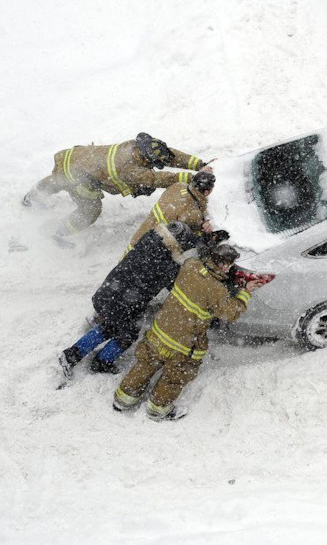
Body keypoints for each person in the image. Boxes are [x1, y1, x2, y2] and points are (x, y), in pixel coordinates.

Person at [58, 221, 229, 378]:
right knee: (127, 334)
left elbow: (182, 241)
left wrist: (208, 239)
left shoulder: (152, 239)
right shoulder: (166, 266)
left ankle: (73, 356)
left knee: (110, 326)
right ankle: (99, 362)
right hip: (125, 302)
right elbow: (179, 285)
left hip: (111, 290)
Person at [112, 243, 262, 421]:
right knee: (175, 376)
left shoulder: (191, 265)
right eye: (229, 265)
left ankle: (123, 399)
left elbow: (200, 284)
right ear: (223, 265)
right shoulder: (216, 290)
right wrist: (245, 292)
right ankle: (158, 409)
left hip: (161, 329)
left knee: (146, 364)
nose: (229, 269)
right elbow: (232, 313)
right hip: (182, 342)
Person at [23, 132, 206, 244]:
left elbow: (169, 155)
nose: (158, 165)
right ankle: (57, 232)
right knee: (91, 211)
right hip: (80, 178)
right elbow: (159, 178)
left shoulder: (135, 146)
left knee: (57, 180)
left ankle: (32, 197)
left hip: (75, 157)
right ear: (147, 158)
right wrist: (196, 177)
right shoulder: (130, 169)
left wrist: (199, 164)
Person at [124, 170, 216, 255]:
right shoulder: (193, 213)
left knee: (122, 267)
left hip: (139, 238)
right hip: (152, 249)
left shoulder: (178, 186)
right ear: (207, 192)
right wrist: (204, 228)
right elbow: (192, 236)